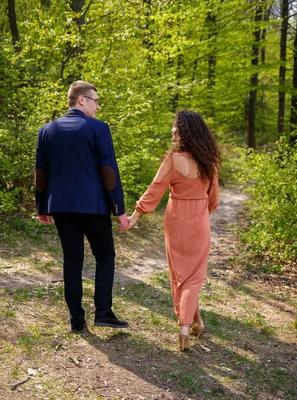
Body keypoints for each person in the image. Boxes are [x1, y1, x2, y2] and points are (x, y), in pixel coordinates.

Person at [35, 80, 129, 333]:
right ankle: (104, 313)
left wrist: (41, 206)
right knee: (105, 255)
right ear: (81, 100)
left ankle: (77, 320)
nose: (98, 107)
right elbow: (109, 171)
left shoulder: (47, 130)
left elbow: (41, 172)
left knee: (72, 261)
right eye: (96, 101)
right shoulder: (98, 129)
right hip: (93, 206)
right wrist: (119, 208)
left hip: (61, 208)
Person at [126, 110, 220, 351]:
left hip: (176, 218)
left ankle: (190, 324)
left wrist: (136, 214)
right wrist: (203, 214)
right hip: (199, 219)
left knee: (181, 273)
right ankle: (188, 325)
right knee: (194, 275)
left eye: (176, 127)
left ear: (186, 131)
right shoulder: (210, 160)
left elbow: (155, 189)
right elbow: (214, 198)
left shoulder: (172, 159)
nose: (172, 130)